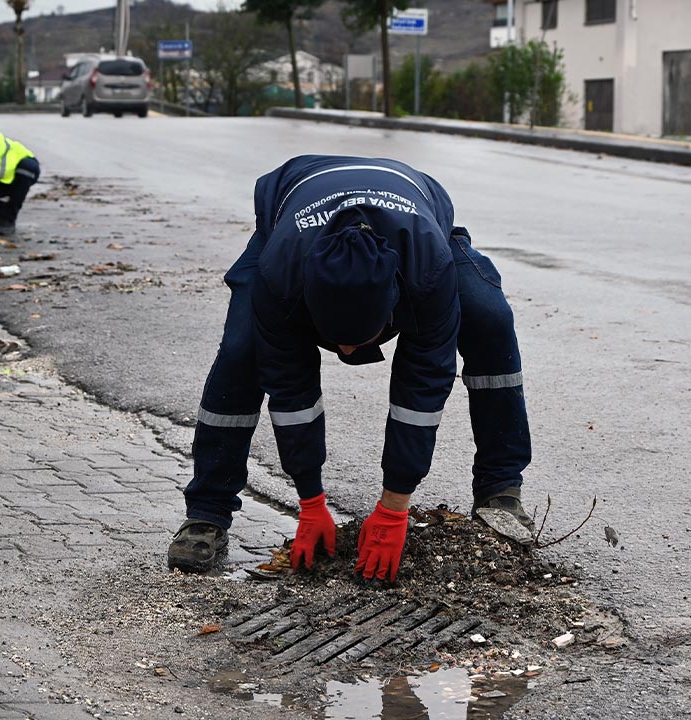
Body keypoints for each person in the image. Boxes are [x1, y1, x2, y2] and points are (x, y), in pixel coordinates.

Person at [168, 155, 533, 582]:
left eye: (358, 340)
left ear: (396, 307)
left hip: (418, 215)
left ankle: (499, 488)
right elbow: (290, 387)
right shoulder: (281, 274)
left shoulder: (427, 273)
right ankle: (207, 513)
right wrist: (310, 501)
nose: (344, 350)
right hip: (293, 213)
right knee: (241, 351)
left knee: (490, 319)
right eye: (333, 338)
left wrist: (395, 507)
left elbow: (422, 387)